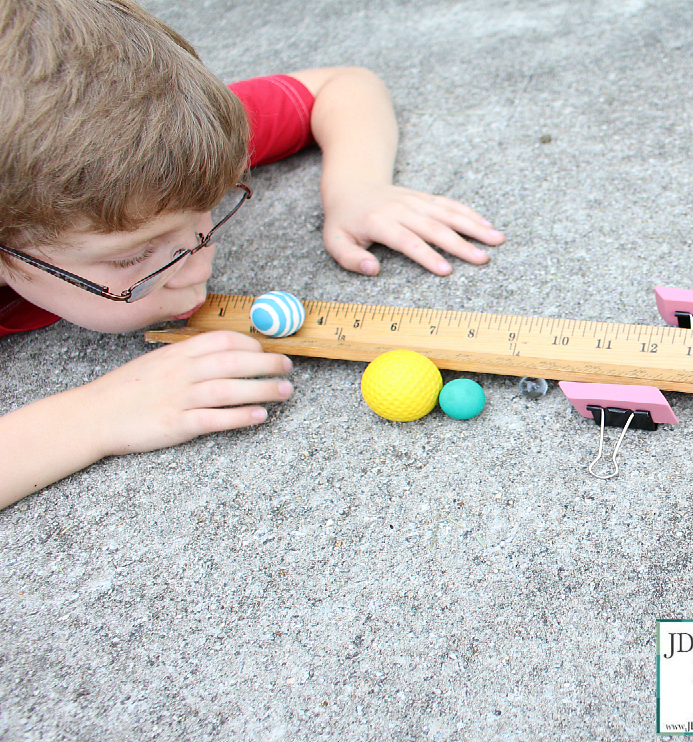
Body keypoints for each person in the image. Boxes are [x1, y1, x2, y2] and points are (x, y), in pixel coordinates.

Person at [0, 0, 505, 509]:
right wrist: (92, 417)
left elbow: (343, 85)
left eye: (210, 210)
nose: (198, 272)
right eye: (135, 258)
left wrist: (357, 186)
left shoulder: (166, 140)